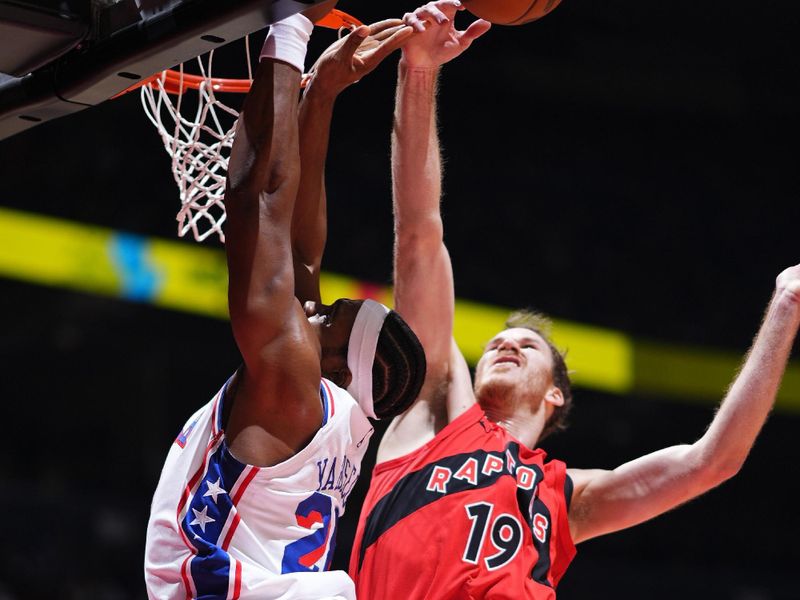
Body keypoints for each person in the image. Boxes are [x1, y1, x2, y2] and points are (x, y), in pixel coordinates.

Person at [349, 1, 800, 598]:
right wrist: (420, 72)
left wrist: (787, 303)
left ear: (555, 393)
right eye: (497, 343)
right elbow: (418, 232)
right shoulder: (433, 408)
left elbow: (711, 462)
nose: (505, 341)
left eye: (527, 345)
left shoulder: (568, 499)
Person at [144, 8, 425, 599]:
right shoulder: (340, 413)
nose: (312, 308)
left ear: (335, 366)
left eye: (326, 320)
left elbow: (257, 203)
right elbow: (300, 257)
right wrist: (320, 93)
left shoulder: (297, 387)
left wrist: (290, 27)